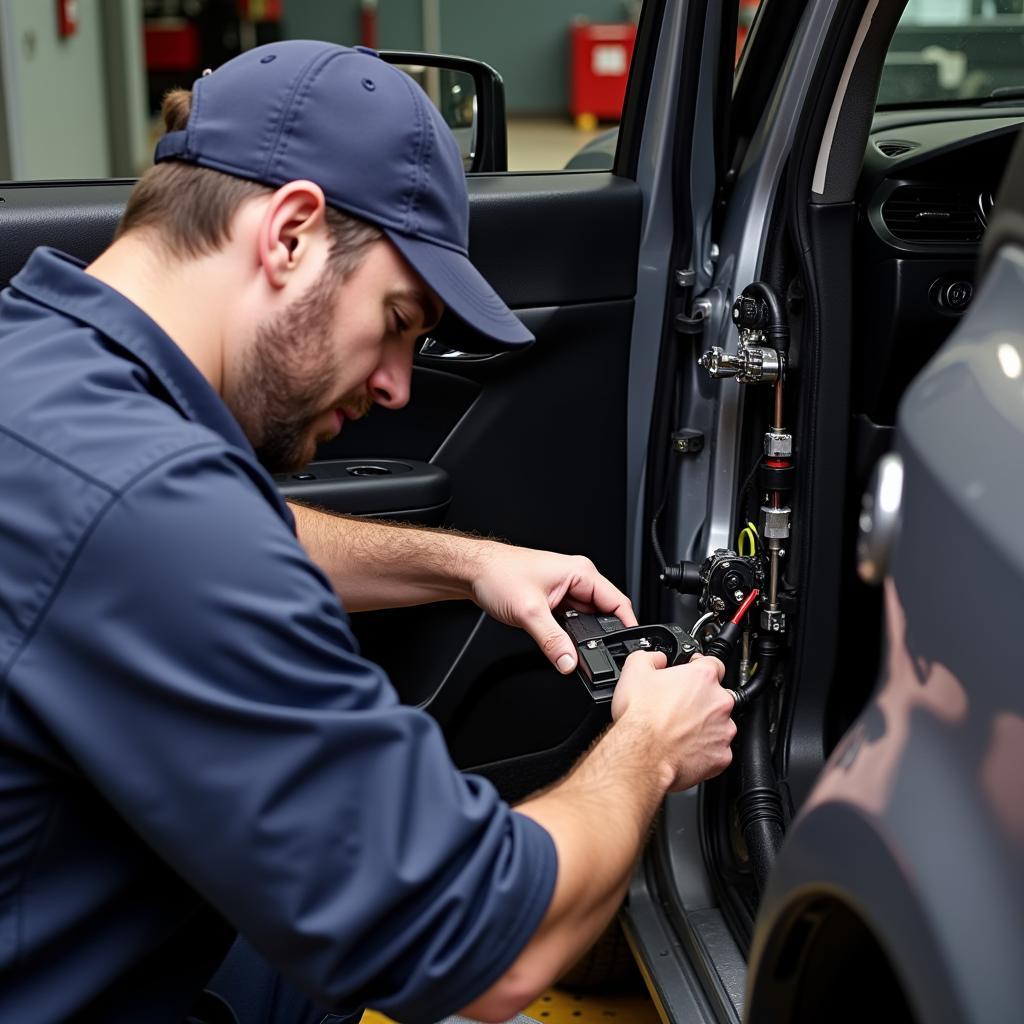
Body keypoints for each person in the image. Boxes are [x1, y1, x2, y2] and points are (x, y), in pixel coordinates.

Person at [0, 41, 736, 1023]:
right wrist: (650, 743)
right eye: (395, 318)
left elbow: (215, 531)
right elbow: (482, 946)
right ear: (292, 232)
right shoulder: (151, 509)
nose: (394, 382)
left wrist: (467, 566)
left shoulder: (45, 357)